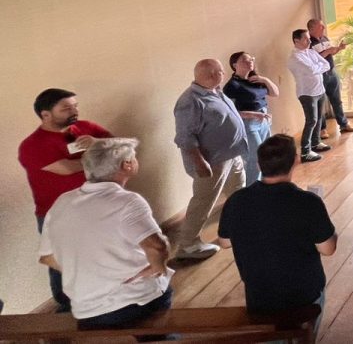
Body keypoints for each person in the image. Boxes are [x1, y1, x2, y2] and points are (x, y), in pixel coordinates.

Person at [38, 138, 173, 330]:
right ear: (127, 165)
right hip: (134, 302)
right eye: (134, 157)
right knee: (162, 290)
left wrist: (90, 274)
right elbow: (156, 246)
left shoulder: (62, 201)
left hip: (85, 310)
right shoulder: (128, 201)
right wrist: (158, 268)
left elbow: (47, 257)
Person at [218, 134, 336, 337]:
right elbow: (328, 248)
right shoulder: (308, 202)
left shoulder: (237, 200)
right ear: (296, 161)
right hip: (304, 297)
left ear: (259, 164)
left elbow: (225, 242)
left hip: (258, 296)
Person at [18, 88, 112, 311]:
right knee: (62, 263)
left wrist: (97, 144)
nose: (74, 111)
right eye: (66, 108)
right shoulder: (32, 145)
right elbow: (67, 168)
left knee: (101, 253)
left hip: (96, 206)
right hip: (57, 213)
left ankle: (106, 300)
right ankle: (67, 308)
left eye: (75, 106)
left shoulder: (86, 128)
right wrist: (101, 156)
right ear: (45, 114)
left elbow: (121, 148)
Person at [172, 59, 248, 260]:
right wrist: (200, 162)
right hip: (212, 161)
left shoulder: (215, 91)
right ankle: (188, 245)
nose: (224, 73)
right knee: (204, 201)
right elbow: (185, 137)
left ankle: (240, 225)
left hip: (231, 155)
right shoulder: (190, 101)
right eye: (221, 71)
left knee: (238, 191)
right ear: (211, 75)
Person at [223, 51, 280, 182]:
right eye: (245, 60)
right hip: (249, 123)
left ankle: (265, 185)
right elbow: (229, 112)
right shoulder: (232, 85)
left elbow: (275, 93)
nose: (250, 62)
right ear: (235, 65)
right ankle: (252, 188)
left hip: (264, 121)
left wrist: (265, 80)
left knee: (266, 156)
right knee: (255, 158)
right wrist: (253, 114)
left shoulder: (255, 80)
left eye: (251, 59)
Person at [286, 29, 331, 162]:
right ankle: (305, 152)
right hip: (307, 93)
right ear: (296, 41)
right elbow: (311, 70)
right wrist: (317, 66)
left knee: (319, 118)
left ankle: (316, 143)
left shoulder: (311, 52)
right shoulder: (295, 58)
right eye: (306, 39)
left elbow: (327, 65)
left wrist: (316, 67)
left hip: (320, 90)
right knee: (311, 120)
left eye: (309, 38)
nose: (309, 41)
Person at [308, 18, 353, 138]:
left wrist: (339, 48)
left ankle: (343, 124)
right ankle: (322, 129)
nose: (323, 28)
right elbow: (313, 60)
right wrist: (327, 51)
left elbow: (330, 52)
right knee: (321, 103)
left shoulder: (324, 38)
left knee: (337, 100)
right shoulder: (309, 43)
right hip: (319, 75)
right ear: (312, 28)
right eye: (320, 26)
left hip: (331, 72)